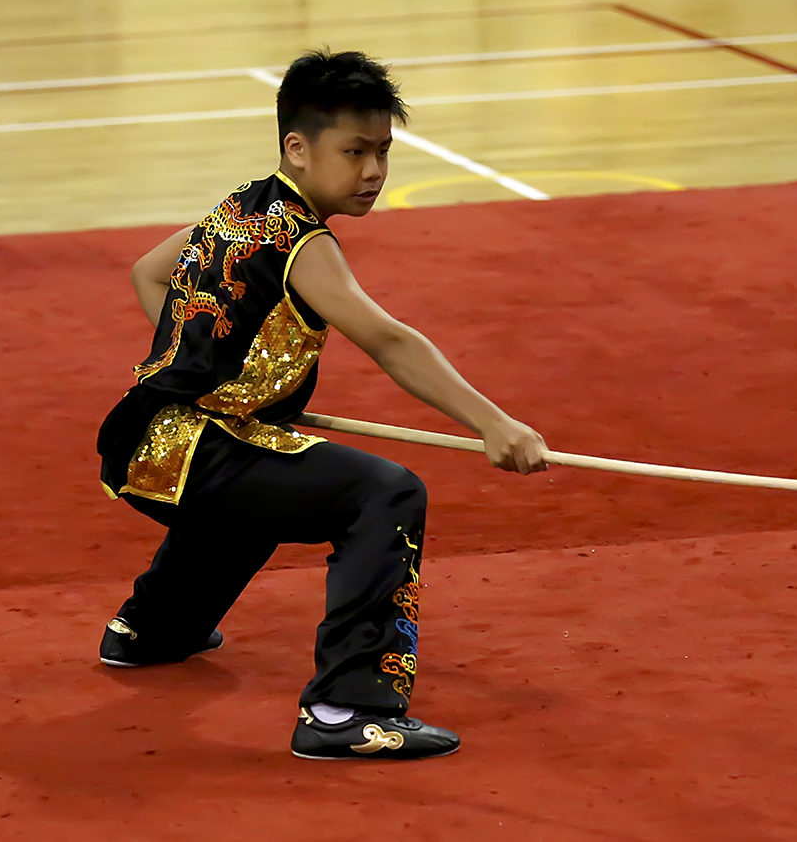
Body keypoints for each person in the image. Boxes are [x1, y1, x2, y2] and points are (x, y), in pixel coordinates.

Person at [95, 49, 547, 761]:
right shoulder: (306, 243)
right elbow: (390, 342)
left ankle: (153, 629)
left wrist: (213, 374)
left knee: (268, 480)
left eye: (383, 152)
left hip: (146, 441)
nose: (373, 171)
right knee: (386, 493)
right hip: (197, 451)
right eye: (354, 152)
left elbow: (148, 273)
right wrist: (494, 422)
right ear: (298, 149)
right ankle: (346, 710)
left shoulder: (241, 207)